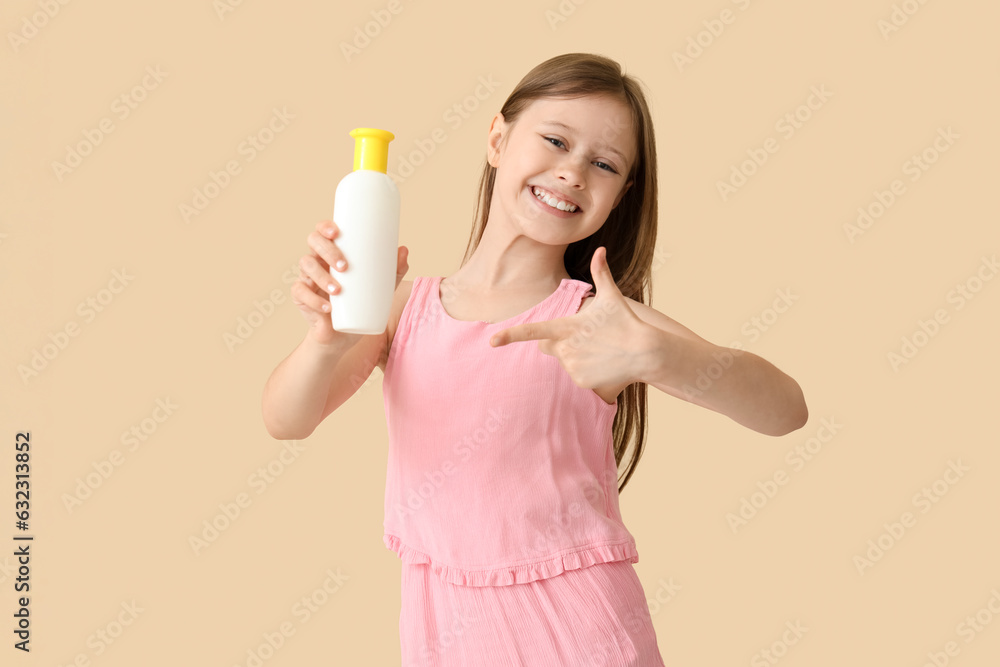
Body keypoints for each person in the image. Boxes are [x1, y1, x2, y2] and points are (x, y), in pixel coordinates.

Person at [263, 52, 808, 666]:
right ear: (498, 138)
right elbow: (287, 419)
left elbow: (786, 409)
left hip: (578, 631)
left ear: (619, 196)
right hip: (443, 630)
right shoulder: (401, 310)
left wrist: (664, 357)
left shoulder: (601, 318)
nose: (573, 172)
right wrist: (325, 341)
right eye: (555, 140)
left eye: (603, 164)